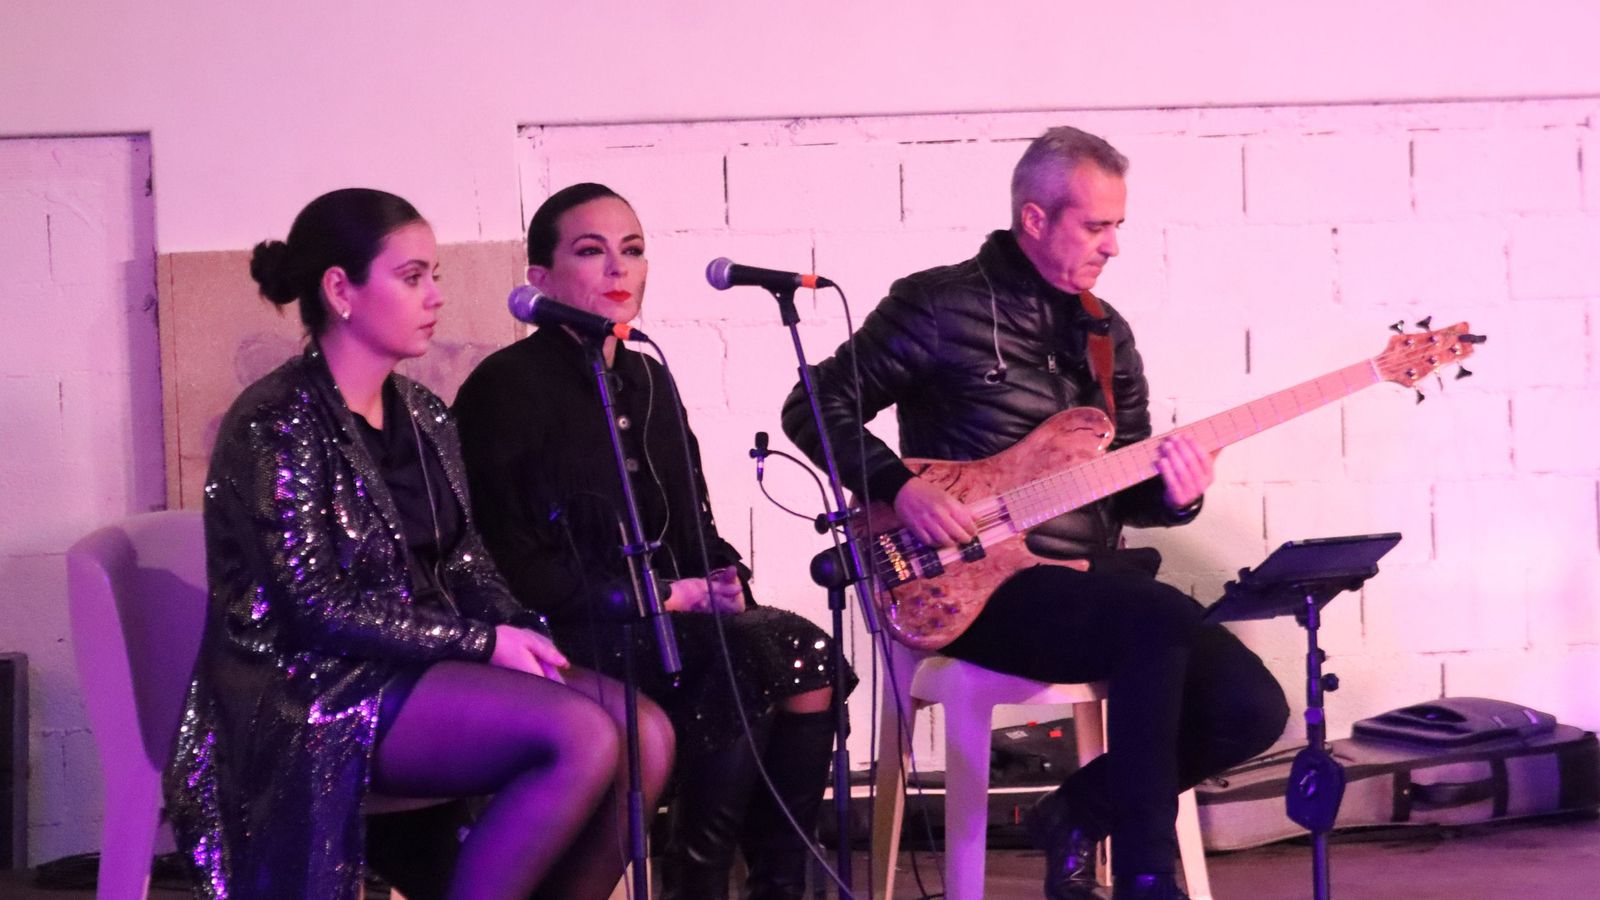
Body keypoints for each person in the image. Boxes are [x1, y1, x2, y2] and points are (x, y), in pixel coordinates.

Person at [781, 128, 1289, 900]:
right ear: (1035, 218)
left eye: (1119, 224)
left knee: (1253, 708)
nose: (1113, 245)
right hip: (975, 587)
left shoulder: (1106, 335)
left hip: (1094, 582)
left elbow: (1130, 494)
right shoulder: (938, 304)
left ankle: (1076, 814)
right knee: (1153, 620)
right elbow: (812, 402)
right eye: (1096, 225)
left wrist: (1177, 493)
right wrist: (898, 486)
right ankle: (1150, 878)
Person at [163, 188, 674, 900]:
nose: (435, 296)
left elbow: (465, 558)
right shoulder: (276, 420)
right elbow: (315, 609)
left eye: (434, 274)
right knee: (582, 737)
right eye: (413, 278)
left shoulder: (425, 412)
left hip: (420, 658)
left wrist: (518, 631)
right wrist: (481, 644)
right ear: (340, 289)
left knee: (644, 733)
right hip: (310, 687)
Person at [453, 182, 854, 900]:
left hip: (670, 627)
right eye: (591, 251)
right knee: (741, 659)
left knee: (804, 651)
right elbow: (508, 566)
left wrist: (726, 580)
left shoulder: (648, 379)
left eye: (632, 251)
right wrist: (662, 595)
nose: (618, 270)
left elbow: (695, 528)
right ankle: (695, 880)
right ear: (540, 278)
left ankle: (779, 882)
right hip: (565, 634)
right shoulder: (504, 388)